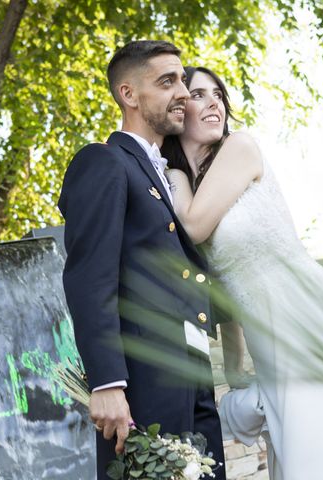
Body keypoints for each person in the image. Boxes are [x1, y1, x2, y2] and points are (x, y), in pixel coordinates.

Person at [162, 66, 323, 480]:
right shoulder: (188, 184)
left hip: (307, 312)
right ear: (177, 110)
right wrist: (235, 369)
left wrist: (174, 175)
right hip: (266, 332)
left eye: (218, 94)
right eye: (198, 95)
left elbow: (194, 227)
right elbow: (225, 282)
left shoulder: (240, 148)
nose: (213, 102)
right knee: (300, 443)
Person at [58, 42, 226, 479]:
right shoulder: (104, 162)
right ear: (129, 95)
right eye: (167, 82)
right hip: (143, 386)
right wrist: (107, 382)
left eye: (183, 81)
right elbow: (89, 278)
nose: (184, 93)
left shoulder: (166, 174)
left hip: (191, 375)